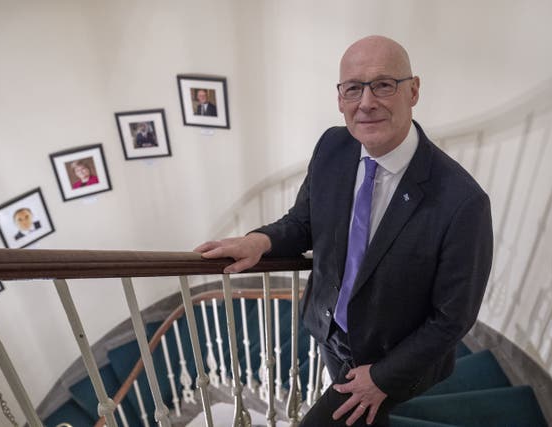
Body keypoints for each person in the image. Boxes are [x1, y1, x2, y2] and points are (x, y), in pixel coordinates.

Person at [195, 35, 493, 426]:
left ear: (414, 90)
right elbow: (304, 221)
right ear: (340, 99)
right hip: (330, 333)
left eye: (383, 85)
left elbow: (452, 318)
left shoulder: (462, 201)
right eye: (353, 88)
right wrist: (260, 241)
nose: (366, 102)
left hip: (391, 356)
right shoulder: (334, 147)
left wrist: (382, 378)